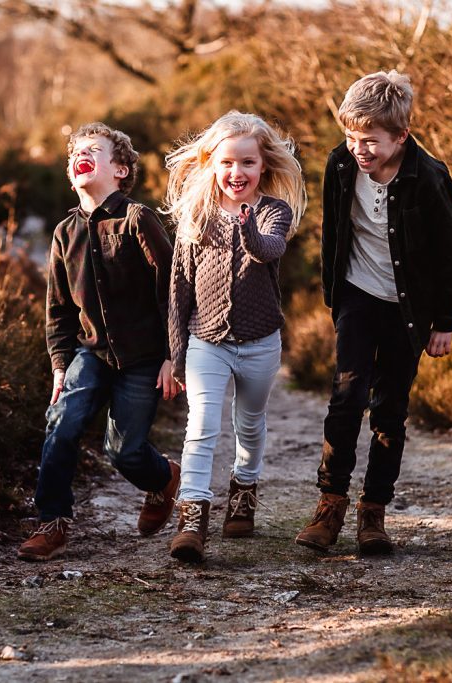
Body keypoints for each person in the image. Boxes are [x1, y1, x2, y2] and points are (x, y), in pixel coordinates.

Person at [295, 71, 452, 555]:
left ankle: (373, 514)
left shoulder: (429, 178)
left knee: (389, 411)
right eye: (351, 137)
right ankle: (329, 507)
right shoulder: (339, 166)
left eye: (370, 141)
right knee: (346, 396)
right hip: (357, 295)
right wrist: (334, 296)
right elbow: (333, 232)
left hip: (409, 310)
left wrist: (445, 323)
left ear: (401, 137)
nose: (359, 149)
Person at [17, 122, 182, 561]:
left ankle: (163, 478)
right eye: (75, 153)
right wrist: (58, 365)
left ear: (121, 170)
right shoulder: (63, 234)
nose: (80, 155)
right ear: (71, 174)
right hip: (89, 354)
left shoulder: (137, 220)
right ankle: (51, 523)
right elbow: (58, 310)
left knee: (122, 451)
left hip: (144, 357)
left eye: (94, 149)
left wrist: (172, 356)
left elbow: (171, 289)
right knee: (62, 423)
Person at [165, 111, 307, 563]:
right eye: (226, 163)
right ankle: (192, 517)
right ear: (211, 163)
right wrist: (174, 353)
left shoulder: (272, 212)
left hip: (261, 342)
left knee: (249, 424)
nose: (236, 173)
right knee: (202, 426)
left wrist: (246, 225)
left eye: (247, 163)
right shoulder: (196, 215)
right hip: (207, 341)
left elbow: (269, 249)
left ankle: (244, 489)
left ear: (263, 165)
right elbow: (178, 288)